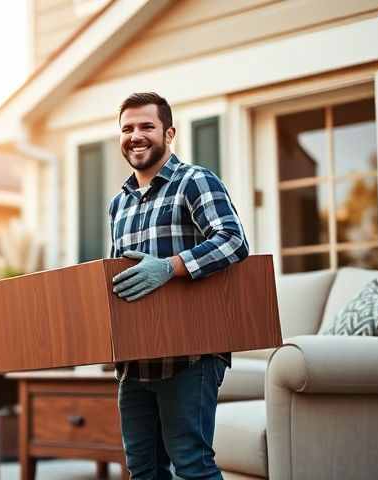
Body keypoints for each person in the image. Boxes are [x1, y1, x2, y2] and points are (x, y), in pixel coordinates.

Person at [108, 92, 249, 479]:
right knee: (143, 469)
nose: (136, 135)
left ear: (169, 133)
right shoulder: (118, 204)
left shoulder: (195, 181)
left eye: (146, 126)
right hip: (135, 362)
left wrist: (170, 268)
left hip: (190, 356)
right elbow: (116, 277)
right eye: (127, 128)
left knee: (192, 465)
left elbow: (233, 241)